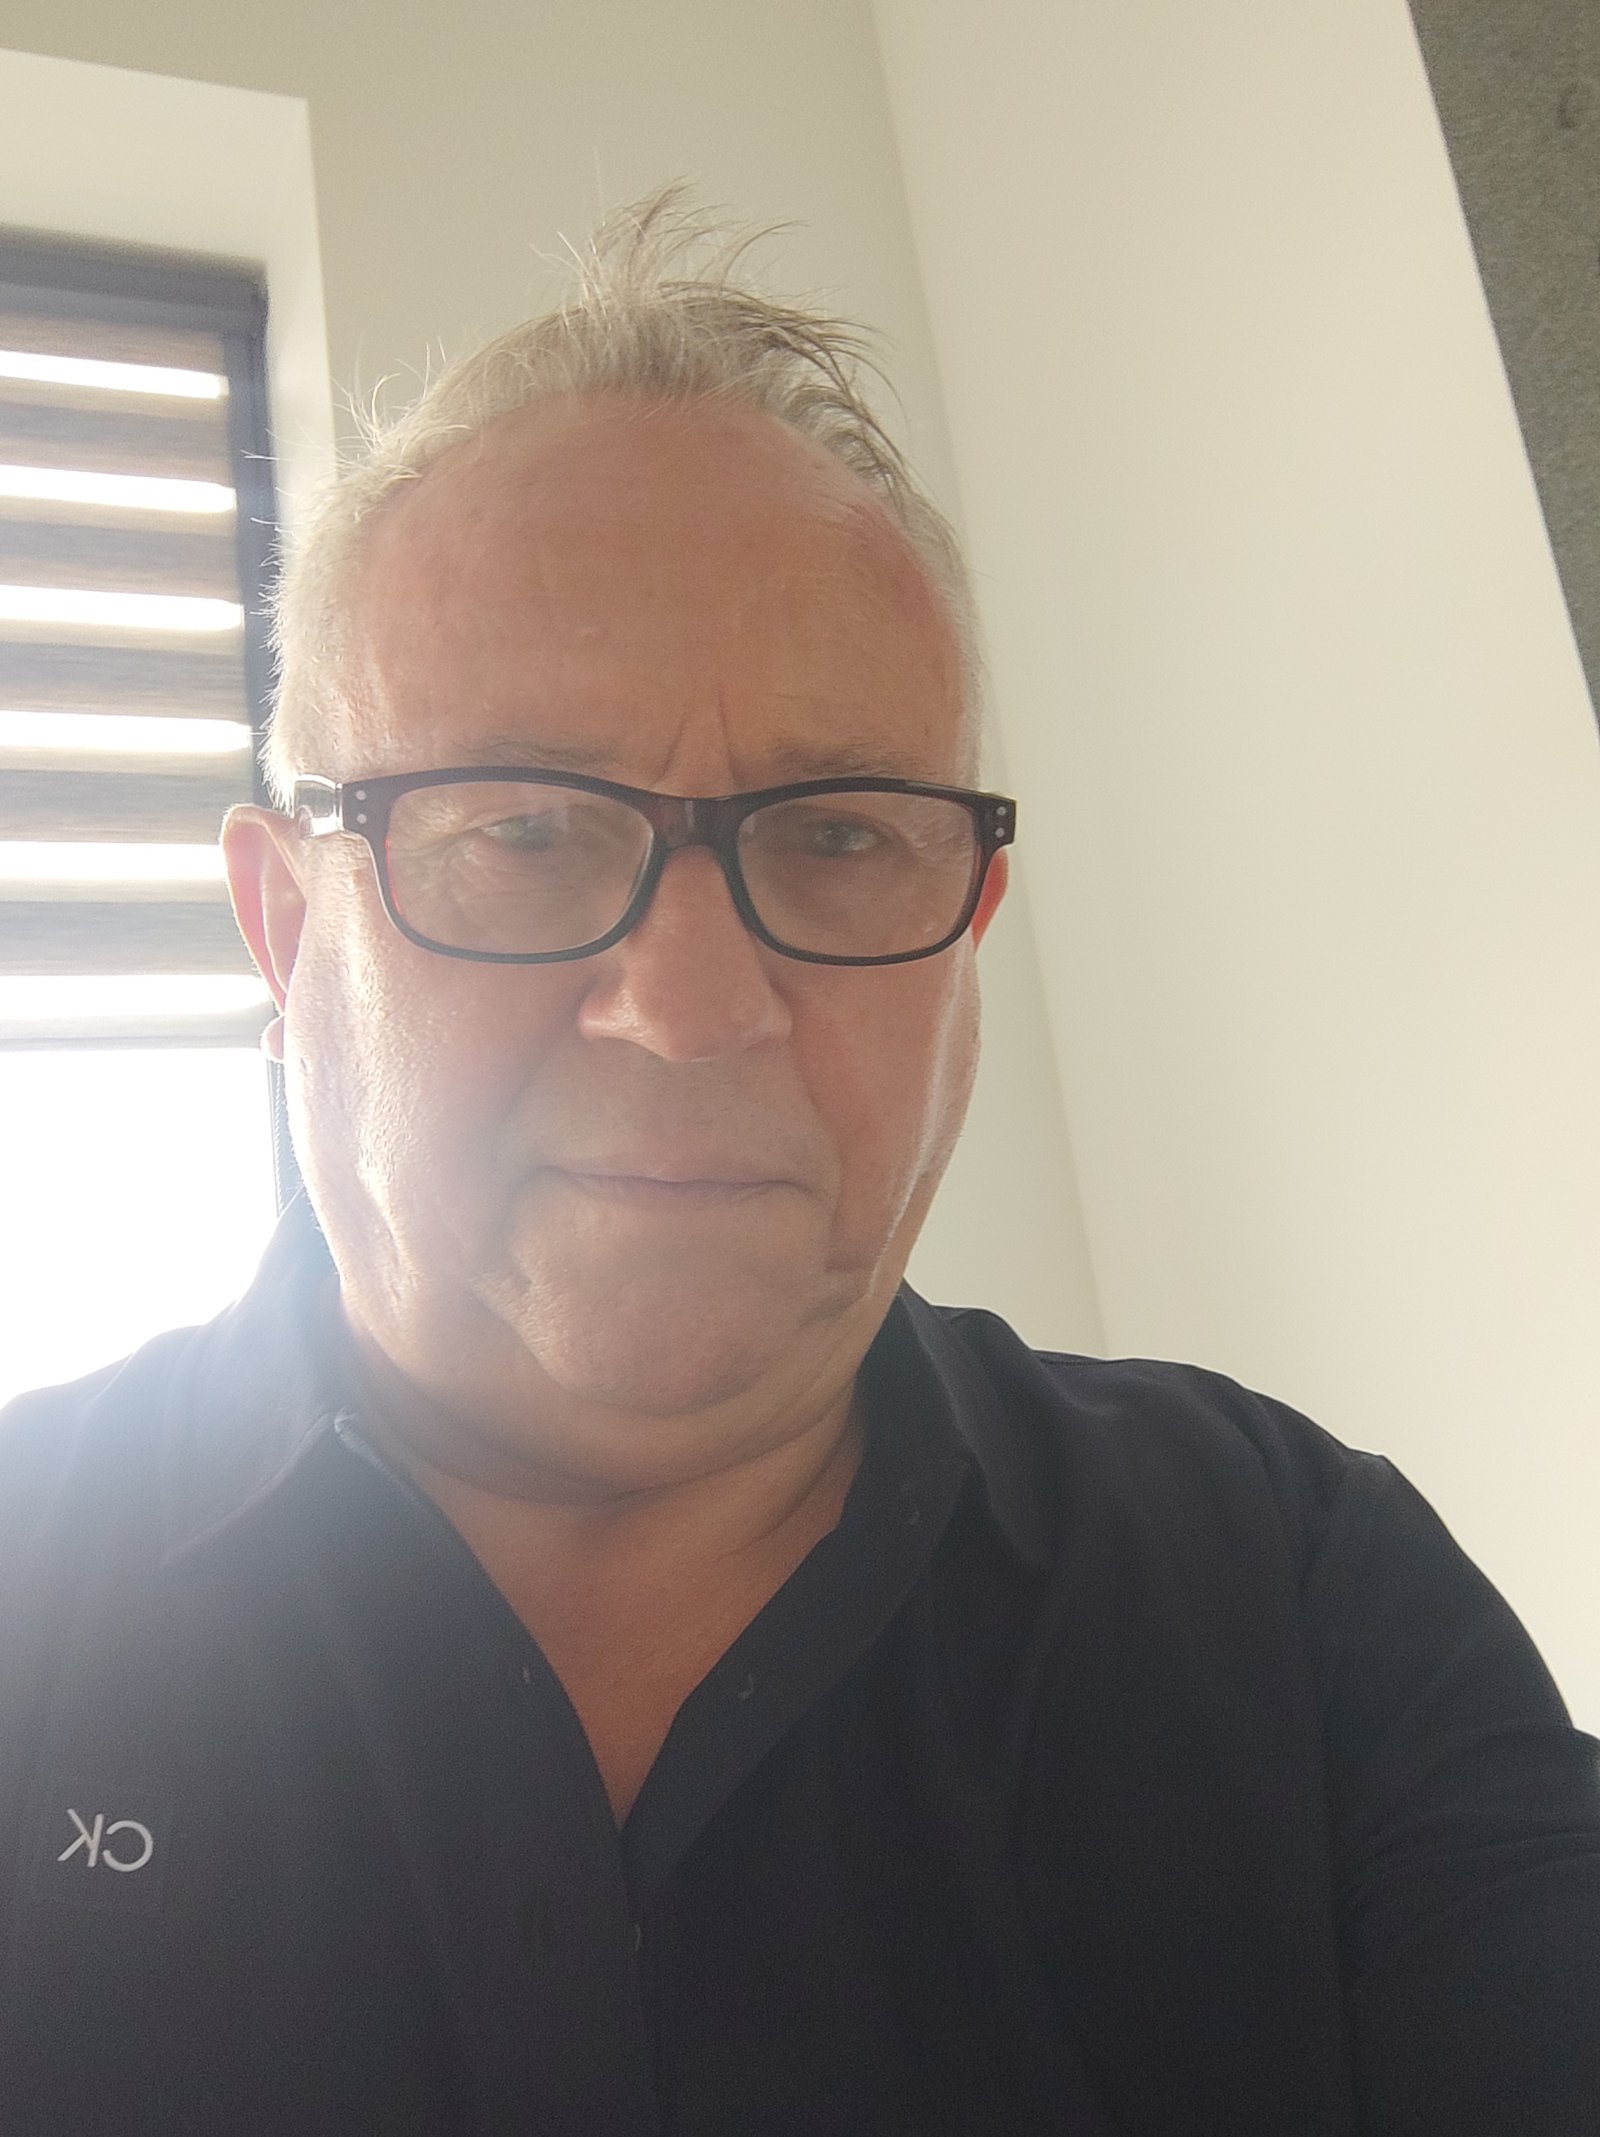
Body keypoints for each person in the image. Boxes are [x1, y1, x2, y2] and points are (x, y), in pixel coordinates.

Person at [1, 192, 1596, 2137]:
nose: (691, 1008)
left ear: (968, 928)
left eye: (840, 834)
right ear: (284, 930)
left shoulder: (1303, 1599)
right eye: (522, 830)